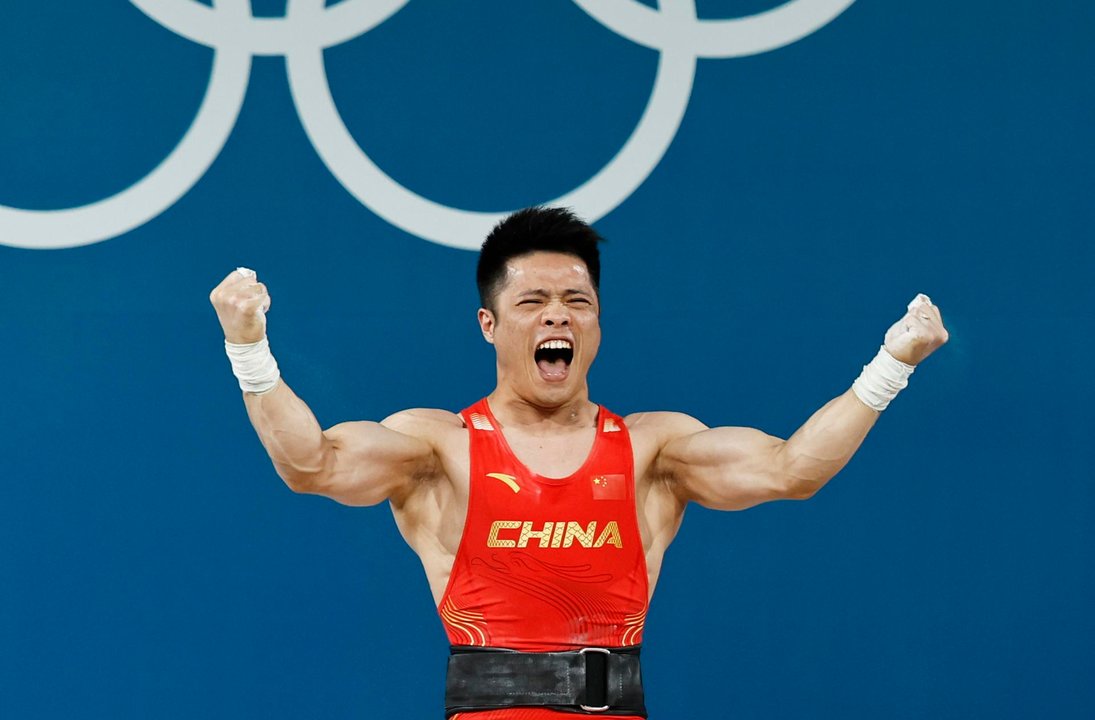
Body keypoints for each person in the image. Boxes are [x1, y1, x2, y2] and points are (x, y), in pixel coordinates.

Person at [209, 207, 948, 719]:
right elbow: (311, 464)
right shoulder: (438, 449)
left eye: (576, 301)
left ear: (596, 322)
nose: (557, 316)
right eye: (533, 302)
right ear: (489, 326)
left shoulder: (655, 451)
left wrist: (892, 362)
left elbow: (794, 469)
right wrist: (248, 347)